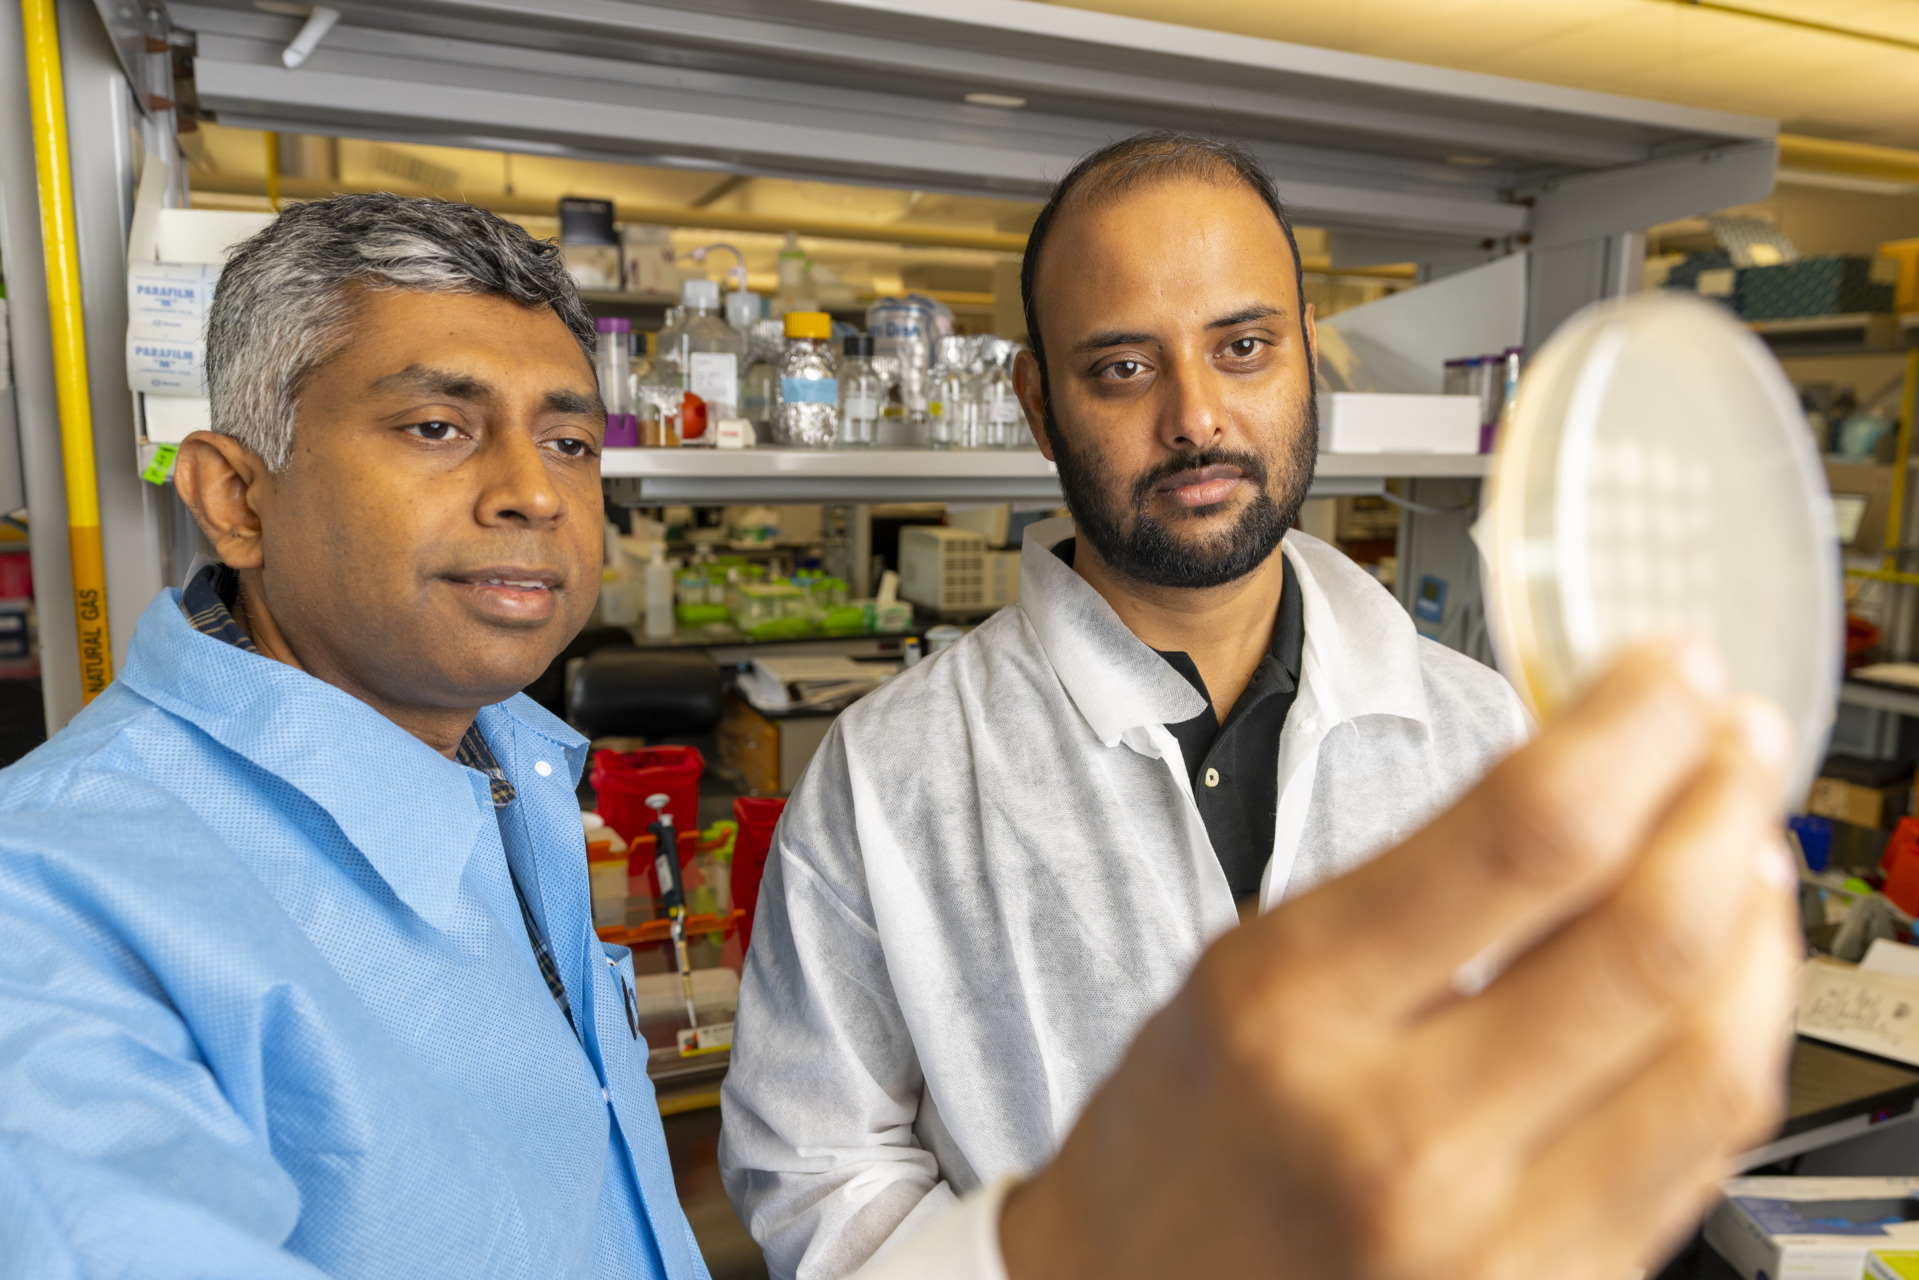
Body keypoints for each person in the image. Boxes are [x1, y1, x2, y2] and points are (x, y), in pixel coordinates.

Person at [0, 189, 1794, 1280]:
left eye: (565, 438)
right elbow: (813, 1170)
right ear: (232, 495)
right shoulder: (52, 912)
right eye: (443, 428)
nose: (535, 500)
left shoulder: (508, 791)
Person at [718, 132, 1800, 1279]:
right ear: (1038, 405)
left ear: (1304, 356)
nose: (1198, 416)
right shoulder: (892, 769)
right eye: (1124, 367)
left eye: (1242, 346)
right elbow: (816, 1164)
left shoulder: (1481, 728)